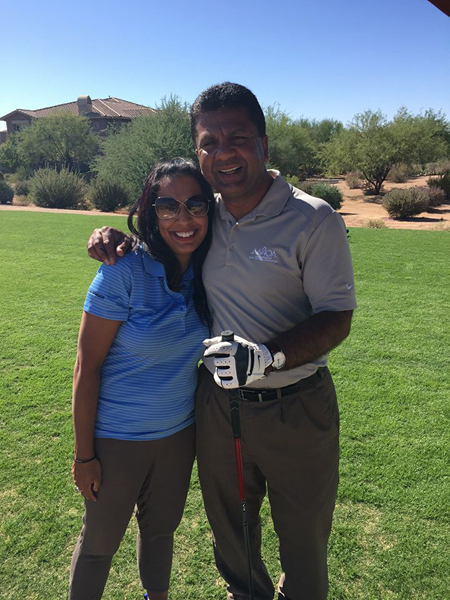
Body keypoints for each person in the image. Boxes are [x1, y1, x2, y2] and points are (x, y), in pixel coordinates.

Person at [87, 83, 357, 600]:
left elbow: (337, 317)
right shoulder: (204, 213)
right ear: (198, 153)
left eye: (237, 137)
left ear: (264, 144)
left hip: (296, 406)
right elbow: (167, 229)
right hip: (217, 406)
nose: (224, 152)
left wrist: (267, 356)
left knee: (303, 540)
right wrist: (117, 238)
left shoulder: (313, 218)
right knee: (232, 536)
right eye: (209, 142)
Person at [70, 157, 215, 600]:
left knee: (160, 532)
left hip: (178, 436)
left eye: (195, 204)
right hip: (117, 439)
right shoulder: (123, 269)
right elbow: (86, 367)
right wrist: (84, 456)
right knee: (99, 545)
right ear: (151, 212)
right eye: (168, 206)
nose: (183, 219)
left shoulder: (210, 267)